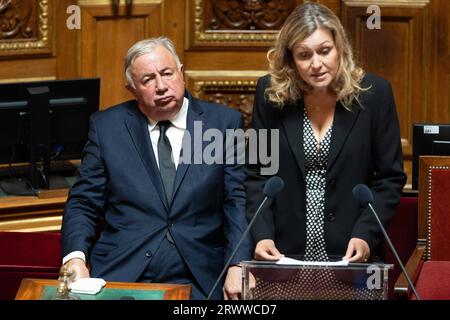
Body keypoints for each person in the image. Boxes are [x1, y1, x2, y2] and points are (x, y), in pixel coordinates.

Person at [61, 36, 252, 300]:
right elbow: (83, 201)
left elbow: (236, 201)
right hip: (124, 270)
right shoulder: (107, 127)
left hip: (201, 273)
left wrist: (237, 263)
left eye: (167, 73)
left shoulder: (223, 123)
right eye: (148, 80)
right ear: (132, 89)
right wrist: (75, 258)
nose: (161, 86)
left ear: (182, 73)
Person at [245, 2, 406, 264]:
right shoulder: (270, 94)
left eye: (324, 51)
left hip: (352, 254)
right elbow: (256, 174)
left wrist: (366, 234)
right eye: (304, 55)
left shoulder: (375, 94)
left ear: (340, 47)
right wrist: (262, 234)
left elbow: (390, 178)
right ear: (290, 58)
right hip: (284, 255)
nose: (316, 64)